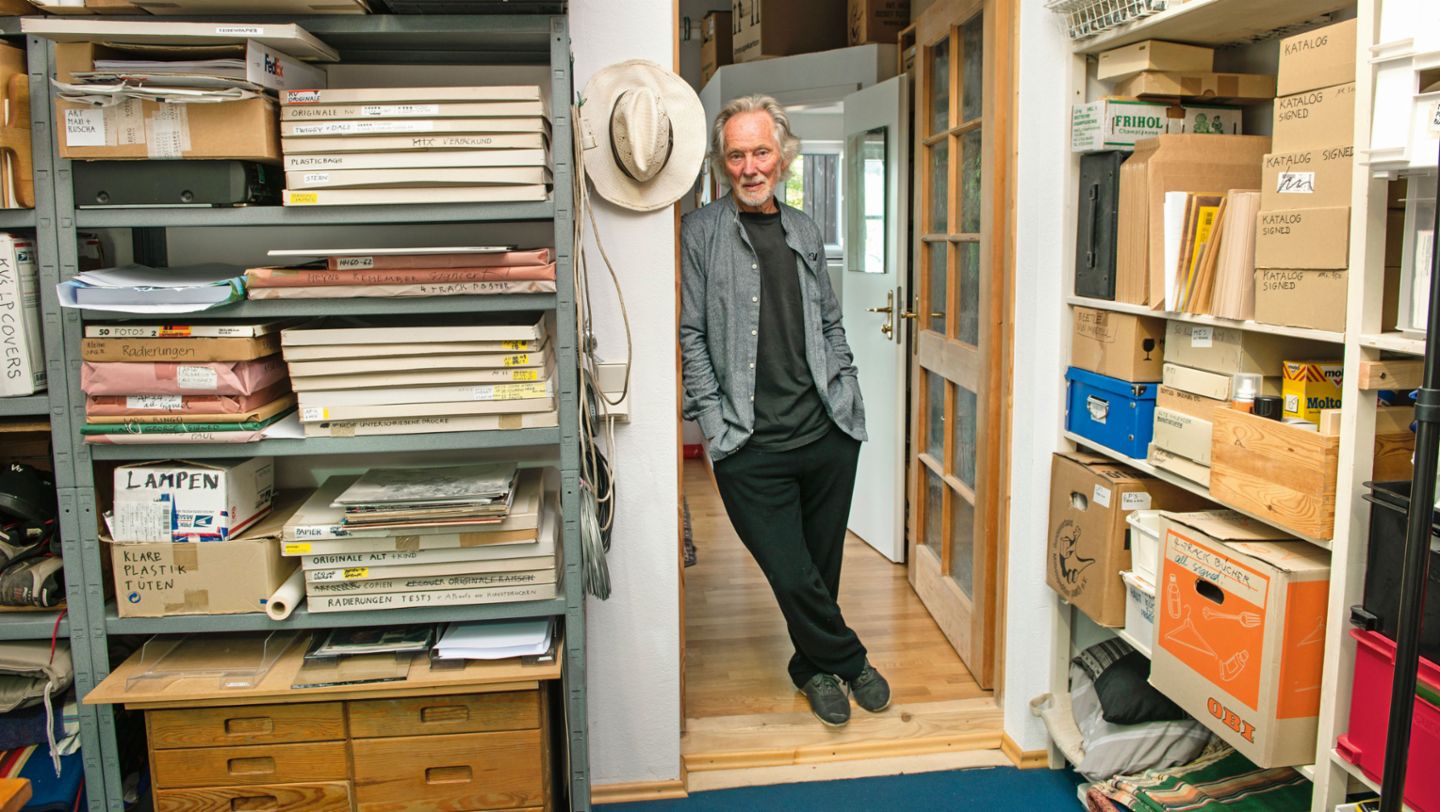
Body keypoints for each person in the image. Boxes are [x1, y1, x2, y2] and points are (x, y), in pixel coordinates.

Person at [678, 94, 889, 727]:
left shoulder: (803, 228)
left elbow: (828, 319)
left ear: (783, 156)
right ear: (721, 163)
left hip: (825, 431)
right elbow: (690, 333)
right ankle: (851, 660)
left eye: (761, 151)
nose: (749, 167)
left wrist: (846, 385)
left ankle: (813, 670)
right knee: (791, 573)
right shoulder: (699, 233)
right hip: (750, 442)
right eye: (736, 154)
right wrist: (714, 424)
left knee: (820, 570)